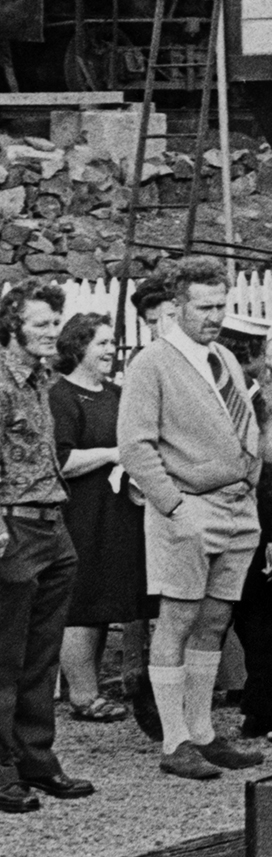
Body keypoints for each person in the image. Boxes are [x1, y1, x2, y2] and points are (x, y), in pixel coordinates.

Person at [117, 257, 264, 781]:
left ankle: (202, 732)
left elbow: (244, 421)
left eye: (222, 305)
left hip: (237, 507)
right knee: (177, 619)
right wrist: (174, 507)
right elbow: (134, 444)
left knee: (216, 620)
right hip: (188, 509)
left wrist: (251, 473)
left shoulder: (222, 354)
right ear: (176, 307)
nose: (215, 315)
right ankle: (174, 740)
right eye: (204, 307)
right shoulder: (151, 364)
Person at [0, 282, 92, 810]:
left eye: (54, 322)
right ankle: (2, 768)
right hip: (13, 530)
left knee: (43, 656)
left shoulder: (41, 378)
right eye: (39, 323)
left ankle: (37, 760)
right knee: (4, 658)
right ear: (13, 323)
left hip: (53, 527)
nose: (50, 332)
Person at [49, 315, 148, 726]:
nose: (111, 350)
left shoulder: (116, 393)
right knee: (82, 602)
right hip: (81, 512)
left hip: (117, 511)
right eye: (102, 344)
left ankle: (89, 688)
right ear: (77, 347)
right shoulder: (62, 396)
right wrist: (113, 453)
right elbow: (61, 461)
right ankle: (83, 696)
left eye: (113, 343)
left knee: (107, 597)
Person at [216, 314, 272, 740]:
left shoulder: (264, 402)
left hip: (257, 521)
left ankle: (264, 708)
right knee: (229, 616)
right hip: (231, 519)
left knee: (258, 617)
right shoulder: (241, 402)